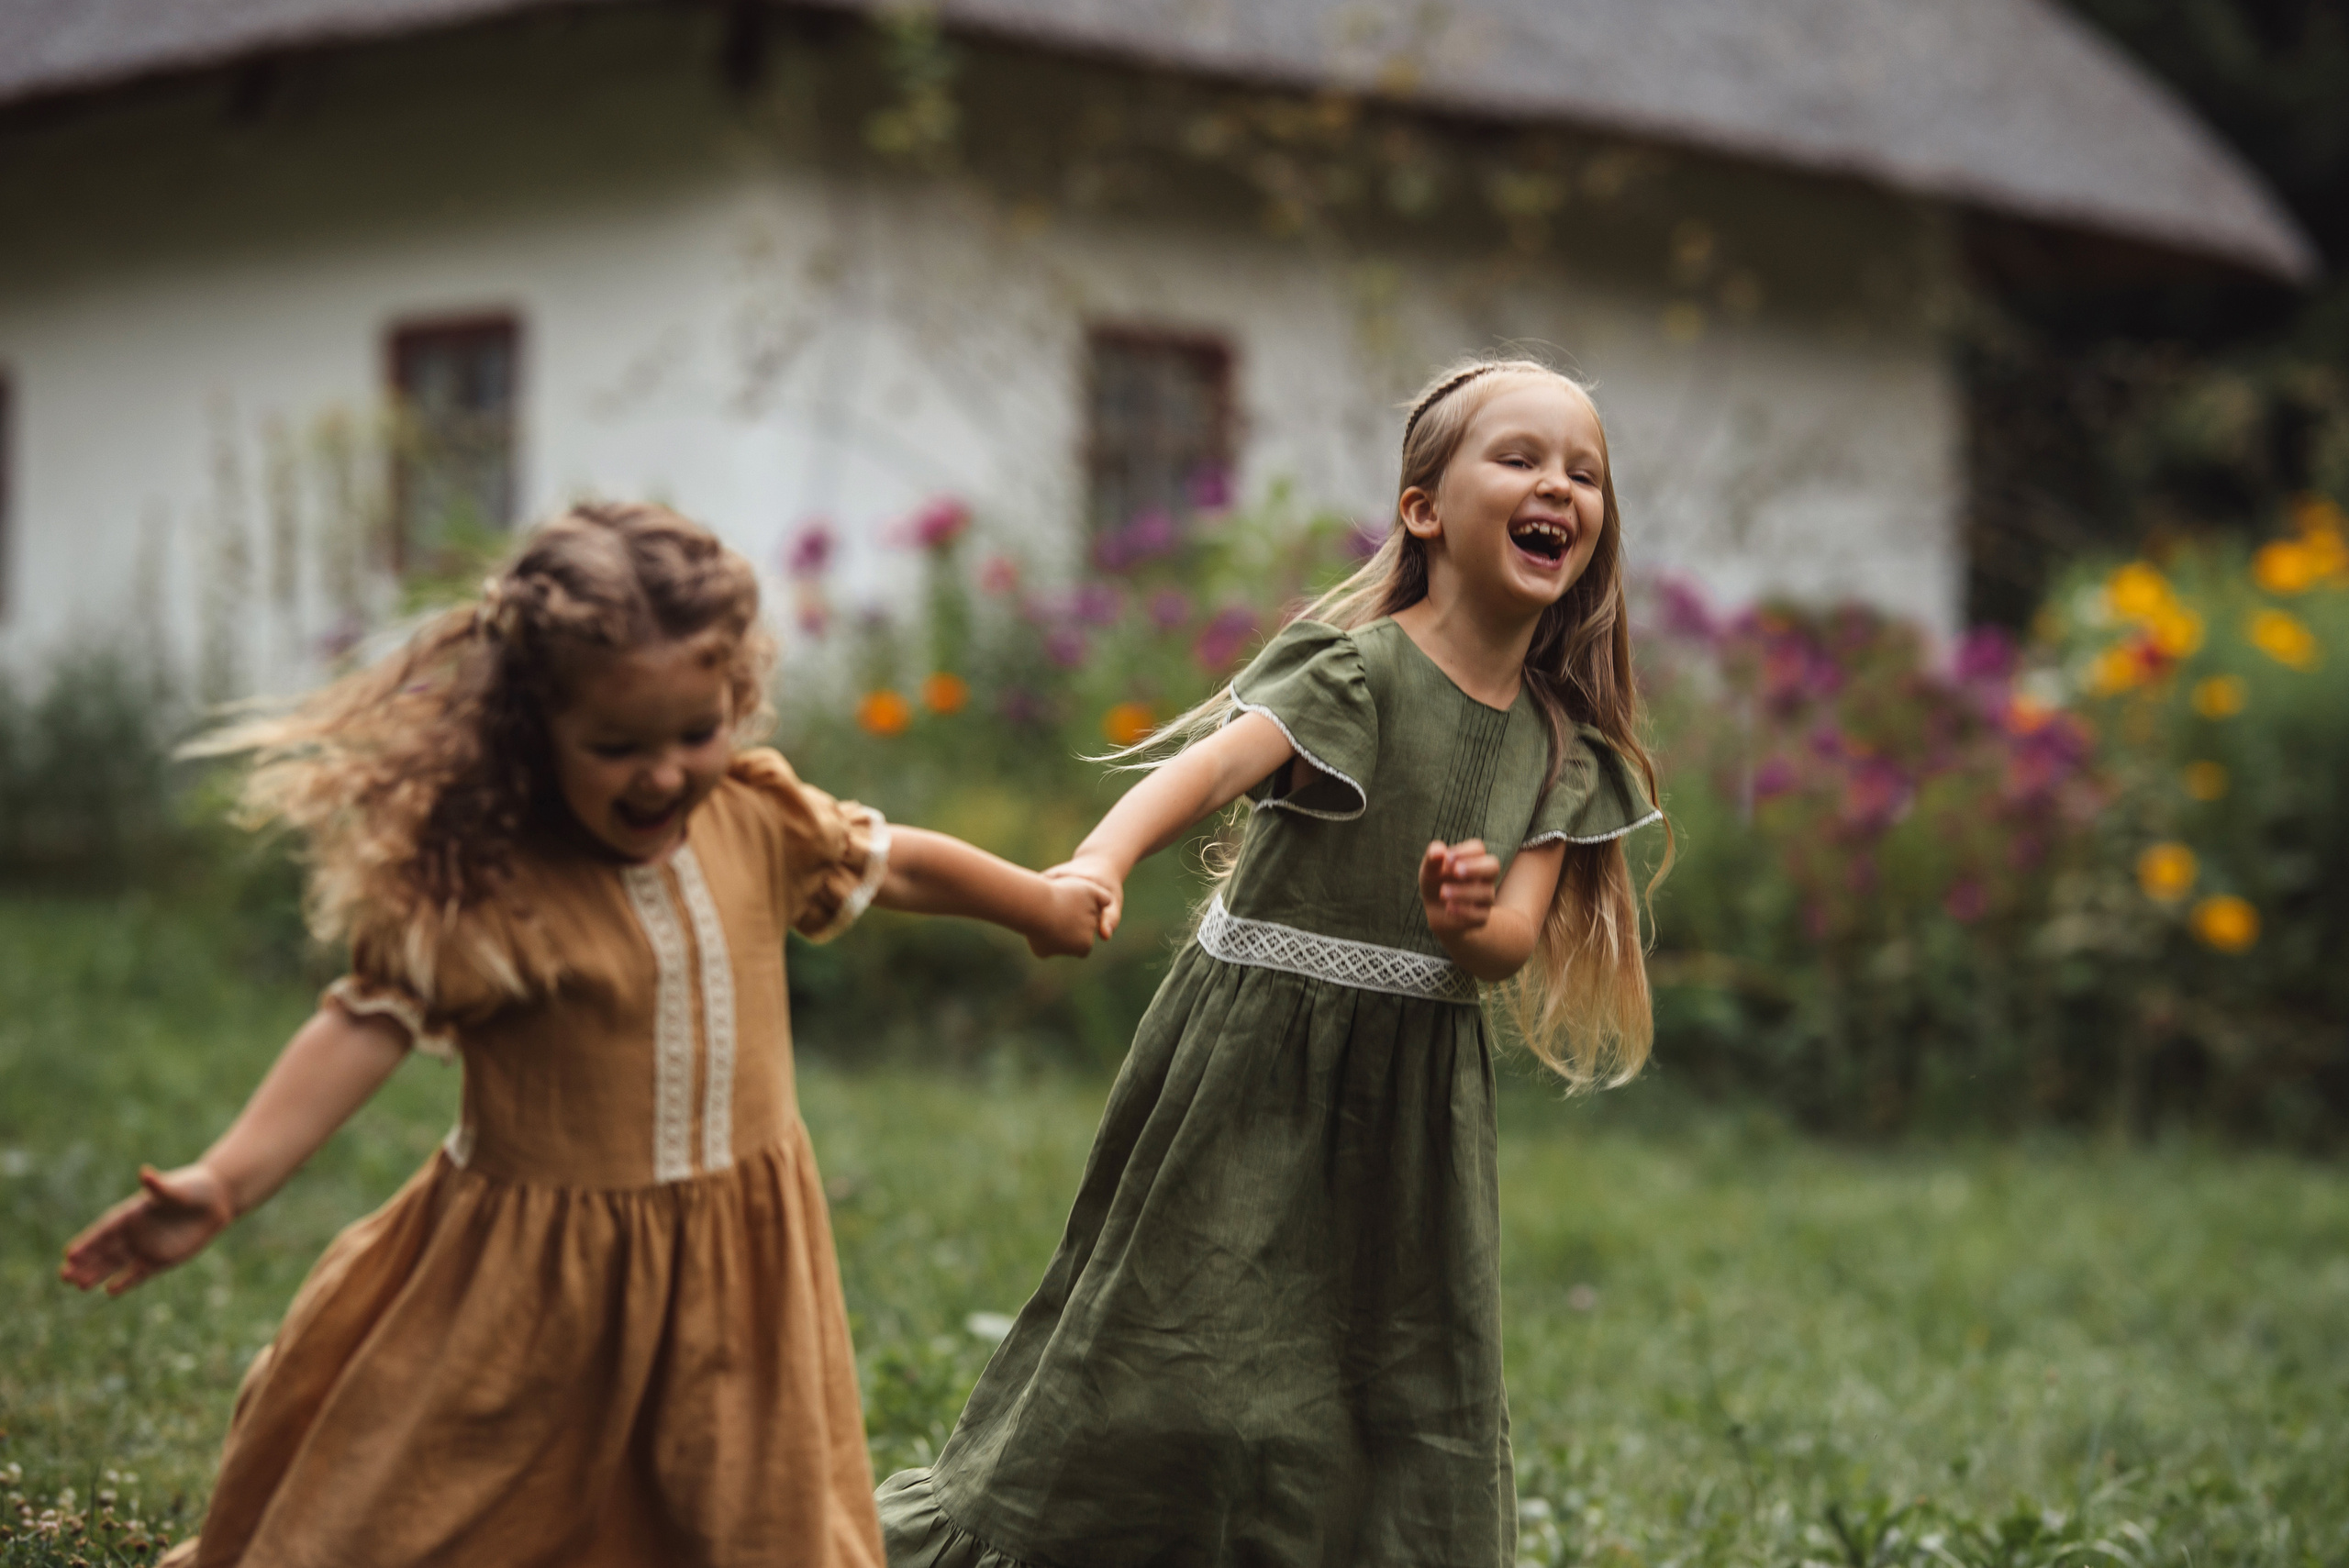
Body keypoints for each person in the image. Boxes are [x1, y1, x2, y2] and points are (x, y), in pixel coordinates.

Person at [61, 503, 1106, 1568]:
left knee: (740, 1510)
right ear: (536, 729)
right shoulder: (498, 880)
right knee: (432, 1502)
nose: (662, 773)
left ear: (734, 700)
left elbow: (893, 860)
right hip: (530, 1275)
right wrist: (228, 1177)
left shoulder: (754, 818)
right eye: (616, 746)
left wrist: (1036, 904)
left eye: (697, 732)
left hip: (733, 1265)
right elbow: (363, 1021)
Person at [877, 357, 1668, 1567]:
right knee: (1180, 1339)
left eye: (1585, 473)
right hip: (1252, 1058)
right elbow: (1201, 770)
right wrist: (1096, 865)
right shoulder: (1356, 671)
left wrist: (1468, 921)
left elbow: (1512, 937)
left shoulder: (1563, 746)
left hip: (1413, 1101)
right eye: (1518, 457)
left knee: (1389, 1380)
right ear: (1422, 508)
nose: (1556, 485)